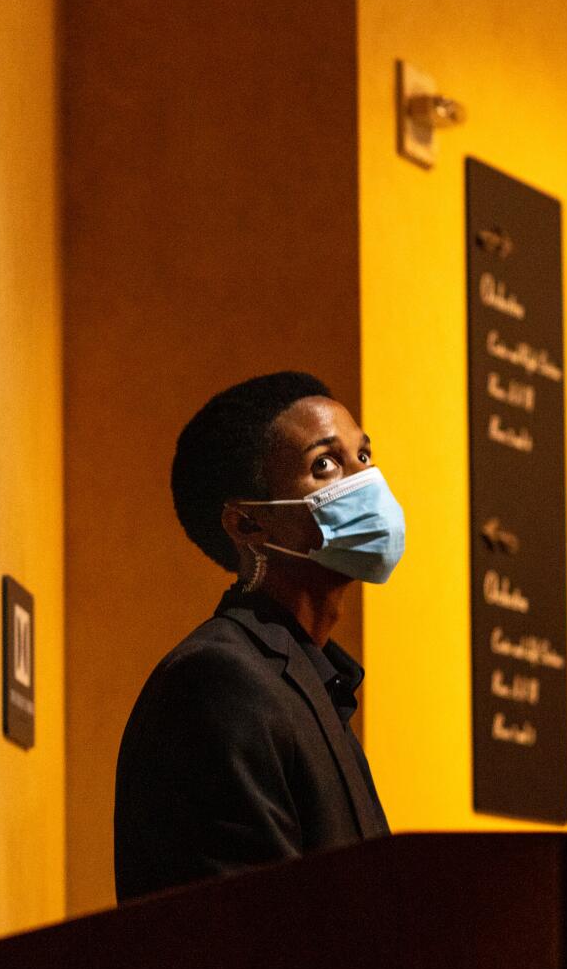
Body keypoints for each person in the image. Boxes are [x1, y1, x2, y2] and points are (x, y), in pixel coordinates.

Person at [114, 372, 402, 903]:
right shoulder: (220, 682)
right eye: (325, 465)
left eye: (363, 455)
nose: (365, 481)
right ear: (248, 525)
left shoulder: (317, 683)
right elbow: (249, 939)